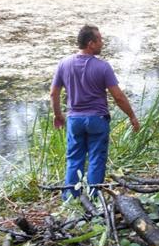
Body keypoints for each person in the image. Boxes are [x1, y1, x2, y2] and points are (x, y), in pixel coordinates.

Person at [50, 25, 140, 198]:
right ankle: (94, 197)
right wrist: (132, 116)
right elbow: (118, 97)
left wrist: (58, 115)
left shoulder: (64, 64)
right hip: (97, 120)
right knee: (96, 159)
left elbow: (54, 93)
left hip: (75, 120)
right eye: (99, 40)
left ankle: (71, 198)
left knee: (74, 159)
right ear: (90, 43)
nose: (102, 43)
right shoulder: (103, 67)